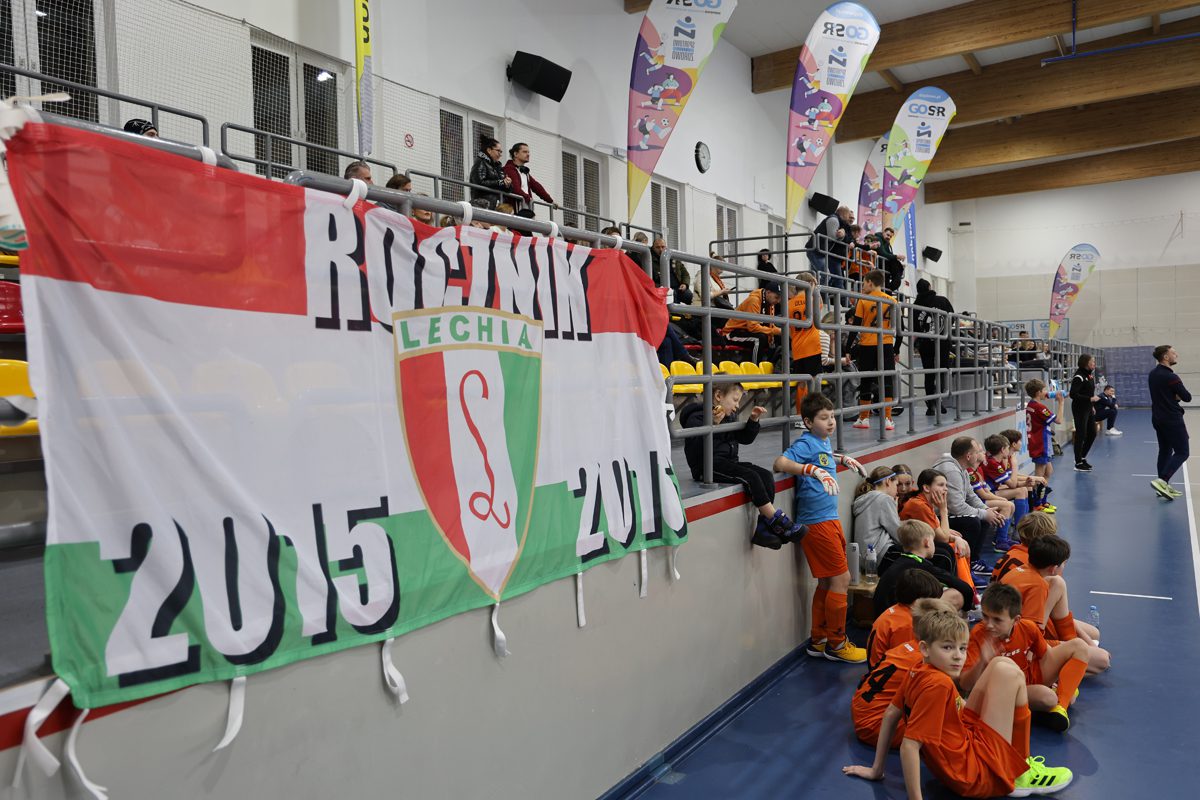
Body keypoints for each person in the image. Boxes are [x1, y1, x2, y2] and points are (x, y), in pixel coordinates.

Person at [843, 608, 1074, 798]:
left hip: (964, 748)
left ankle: (1017, 765)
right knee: (1008, 673)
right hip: (974, 775)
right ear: (924, 648)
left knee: (999, 665)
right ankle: (1017, 773)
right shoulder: (939, 685)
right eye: (947, 647)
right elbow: (909, 746)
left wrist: (877, 769)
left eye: (962, 648)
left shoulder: (918, 669)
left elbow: (891, 714)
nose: (958, 656)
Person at [774, 393, 868, 663]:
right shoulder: (805, 443)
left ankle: (820, 639)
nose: (831, 422)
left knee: (827, 581)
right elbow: (780, 463)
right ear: (807, 422)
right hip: (817, 521)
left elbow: (821, 458)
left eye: (832, 417)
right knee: (842, 579)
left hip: (828, 517)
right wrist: (811, 471)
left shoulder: (822, 442)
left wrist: (840, 459)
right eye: (824, 418)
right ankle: (837, 644)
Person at [680, 383, 805, 549]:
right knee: (751, 477)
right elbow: (695, 448)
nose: (738, 405)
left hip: (729, 462)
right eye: (735, 400)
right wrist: (712, 425)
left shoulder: (729, 416)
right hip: (707, 467)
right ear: (718, 396)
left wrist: (753, 420)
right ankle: (776, 520)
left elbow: (744, 439)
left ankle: (763, 529)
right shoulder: (696, 417)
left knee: (765, 475)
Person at [962, 584, 1090, 733]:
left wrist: (1063, 681)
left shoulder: (1028, 628)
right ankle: (1033, 710)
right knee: (1048, 698)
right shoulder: (979, 634)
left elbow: (1047, 656)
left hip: (1028, 678)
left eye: (997, 620)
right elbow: (965, 685)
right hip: (1003, 691)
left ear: (1016, 620)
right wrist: (982, 662)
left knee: (1080, 646)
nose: (989, 625)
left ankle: (1061, 708)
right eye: (985, 616)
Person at [1000, 536, 1111, 675]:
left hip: (1013, 629)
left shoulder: (1023, 571)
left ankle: (1071, 645)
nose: (1064, 567)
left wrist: (1085, 643)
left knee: (1094, 633)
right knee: (1102, 660)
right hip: (1019, 642)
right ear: (1053, 568)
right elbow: (1031, 635)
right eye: (1064, 563)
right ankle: (1058, 671)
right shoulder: (1038, 587)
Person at [853, 597, 955, 747]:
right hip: (874, 725)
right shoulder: (928, 659)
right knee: (951, 727)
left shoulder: (907, 647)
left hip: (863, 712)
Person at [932, 438, 1006, 575]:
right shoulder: (952, 471)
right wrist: (984, 514)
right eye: (977, 452)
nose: (979, 455)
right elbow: (956, 507)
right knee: (972, 522)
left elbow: (971, 496)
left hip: (948, 514)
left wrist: (986, 510)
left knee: (983, 518)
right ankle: (964, 566)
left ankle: (973, 561)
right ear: (968, 456)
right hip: (937, 518)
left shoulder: (961, 469)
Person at [898, 468, 976, 590]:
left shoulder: (924, 502)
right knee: (951, 549)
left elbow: (940, 531)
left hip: (922, 542)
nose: (946, 489)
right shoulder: (919, 505)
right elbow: (943, 538)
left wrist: (956, 538)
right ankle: (961, 588)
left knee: (960, 542)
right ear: (926, 488)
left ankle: (967, 584)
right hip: (910, 547)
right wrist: (943, 510)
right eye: (941, 485)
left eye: (946, 485)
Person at [872, 520, 972, 615]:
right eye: (933, 541)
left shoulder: (900, 561)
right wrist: (968, 606)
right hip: (898, 617)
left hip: (883, 614)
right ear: (927, 542)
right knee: (955, 596)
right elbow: (964, 587)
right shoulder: (921, 565)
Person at [848, 269, 898, 431]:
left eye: (864, 283)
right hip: (886, 344)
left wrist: (847, 348)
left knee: (866, 381)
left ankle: (864, 418)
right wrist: (896, 349)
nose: (863, 286)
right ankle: (888, 418)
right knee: (887, 380)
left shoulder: (863, 300)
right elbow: (900, 329)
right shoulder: (892, 300)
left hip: (867, 344)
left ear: (870, 282)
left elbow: (855, 326)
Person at [865, 570, 944, 670]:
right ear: (918, 601)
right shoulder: (907, 624)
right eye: (933, 601)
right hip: (888, 674)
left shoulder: (898, 610)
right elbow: (907, 659)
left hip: (882, 668)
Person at [1150, 344, 1190, 499]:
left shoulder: (1153, 374)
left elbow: (1162, 394)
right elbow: (1187, 397)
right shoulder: (1171, 377)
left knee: (1165, 451)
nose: (1176, 355)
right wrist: (1175, 396)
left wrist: (1172, 395)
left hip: (1157, 418)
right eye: (1173, 353)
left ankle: (1162, 486)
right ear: (1165, 357)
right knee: (1182, 452)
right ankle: (1162, 481)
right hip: (1172, 419)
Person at [912, 279, 954, 415]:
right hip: (943, 342)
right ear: (930, 287)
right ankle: (939, 401)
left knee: (929, 373)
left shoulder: (915, 306)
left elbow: (915, 327)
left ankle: (931, 404)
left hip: (925, 343)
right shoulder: (942, 301)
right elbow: (952, 318)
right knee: (942, 371)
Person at [786, 272, 822, 414]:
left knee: (801, 383)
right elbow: (819, 309)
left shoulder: (789, 303)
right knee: (814, 382)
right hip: (812, 347)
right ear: (811, 284)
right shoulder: (814, 300)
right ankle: (813, 414)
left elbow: (789, 329)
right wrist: (814, 290)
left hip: (797, 347)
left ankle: (800, 415)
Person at [851, 466, 903, 565]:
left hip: (866, 558)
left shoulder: (865, 498)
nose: (897, 490)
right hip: (881, 554)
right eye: (896, 485)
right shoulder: (884, 499)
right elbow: (899, 535)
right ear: (888, 481)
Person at [721, 283, 782, 364]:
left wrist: (780, 331)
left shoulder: (770, 303)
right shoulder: (754, 300)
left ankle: (772, 366)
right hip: (732, 333)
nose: (778, 301)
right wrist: (776, 331)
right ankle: (756, 368)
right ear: (768, 292)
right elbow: (752, 327)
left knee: (778, 338)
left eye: (779, 298)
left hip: (746, 331)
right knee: (760, 338)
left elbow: (770, 325)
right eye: (776, 297)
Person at [1024, 380, 1061, 511]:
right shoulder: (1040, 407)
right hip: (1040, 444)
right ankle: (1037, 504)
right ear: (1038, 392)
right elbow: (1059, 420)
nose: (1047, 392)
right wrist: (1061, 402)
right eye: (1044, 390)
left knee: (1048, 471)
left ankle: (1043, 500)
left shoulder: (1031, 404)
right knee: (1039, 476)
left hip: (1040, 442)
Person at [1001, 428, 1055, 513]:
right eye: (1020, 441)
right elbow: (1009, 479)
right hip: (1000, 487)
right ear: (1014, 444)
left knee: (1030, 483)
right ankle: (1033, 509)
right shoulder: (1006, 459)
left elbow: (1012, 475)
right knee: (1026, 487)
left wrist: (1032, 477)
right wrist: (1034, 478)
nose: (1021, 443)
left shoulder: (1011, 456)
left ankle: (1031, 510)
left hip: (1006, 483)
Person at [806, 206, 851, 293]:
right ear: (844, 214)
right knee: (826, 276)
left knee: (818, 276)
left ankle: (814, 293)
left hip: (818, 251)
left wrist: (842, 234)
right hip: (816, 251)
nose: (849, 217)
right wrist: (842, 235)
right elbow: (832, 237)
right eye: (848, 214)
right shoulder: (834, 220)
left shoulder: (835, 220)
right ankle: (817, 294)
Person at [502, 143, 555, 213]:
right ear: (515, 154)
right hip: (515, 209)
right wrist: (529, 199)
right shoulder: (509, 169)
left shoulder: (524, 172)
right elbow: (515, 189)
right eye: (524, 152)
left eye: (528, 152)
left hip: (525, 206)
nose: (528, 154)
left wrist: (551, 201)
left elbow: (537, 187)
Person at [1068, 353, 1098, 472]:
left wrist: (1091, 405)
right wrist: (1089, 399)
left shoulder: (1090, 375)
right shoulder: (1079, 376)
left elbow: (1089, 392)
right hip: (1080, 409)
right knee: (1081, 434)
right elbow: (1073, 394)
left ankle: (1082, 457)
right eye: (1092, 361)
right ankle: (1078, 462)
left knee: (1092, 433)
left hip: (1088, 408)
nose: (1094, 364)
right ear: (1086, 363)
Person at [469, 137, 512, 209]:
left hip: (496, 205)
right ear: (489, 150)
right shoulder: (480, 162)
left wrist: (508, 184)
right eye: (498, 151)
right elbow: (479, 183)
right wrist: (500, 182)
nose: (500, 154)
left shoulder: (498, 166)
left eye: (501, 152)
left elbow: (508, 188)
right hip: (483, 205)